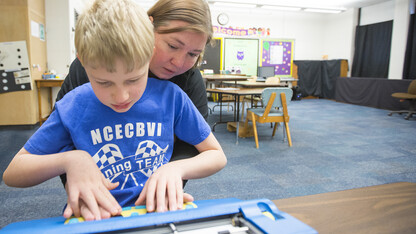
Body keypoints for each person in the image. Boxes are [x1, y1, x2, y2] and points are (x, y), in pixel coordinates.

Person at [3, 0, 226, 222]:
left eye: (133, 79)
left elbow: (215, 154)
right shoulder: (74, 103)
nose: (121, 97)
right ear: (83, 62)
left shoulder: (173, 96)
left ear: (148, 53)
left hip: (158, 211)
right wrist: (71, 162)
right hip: (97, 216)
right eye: (104, 82)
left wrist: (174, 170)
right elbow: (13, 173)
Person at [57, 0, 213, 189]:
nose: (179, 63)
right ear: (148, 28)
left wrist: (171, 177)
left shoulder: (186, 82)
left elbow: (196, 143)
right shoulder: (95, 65)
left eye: (193, 54)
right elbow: (60, 136)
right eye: (172, 46)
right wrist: (75, 183)